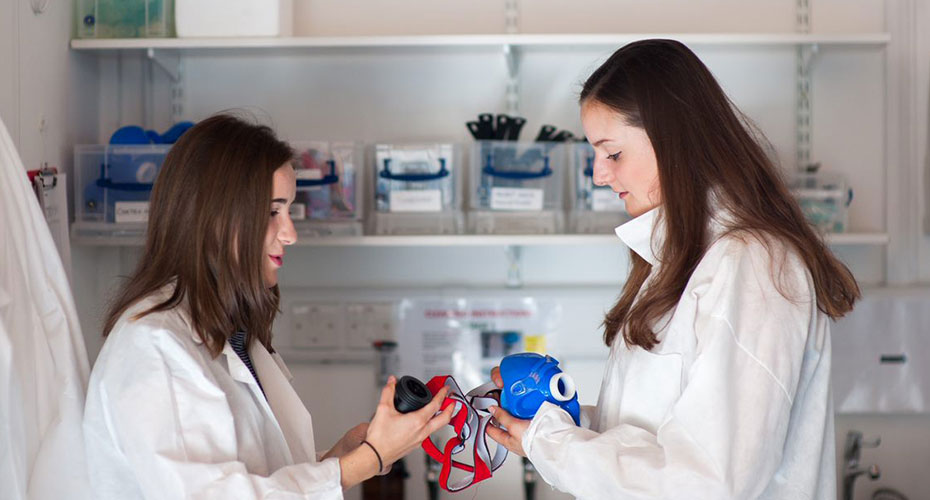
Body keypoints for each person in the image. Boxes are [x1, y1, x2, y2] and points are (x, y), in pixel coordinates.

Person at [486, 39, 860, 499]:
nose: (600, 175)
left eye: (613, 153)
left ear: (673, 141)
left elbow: (710, 480)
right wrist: (553, 423)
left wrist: (551, 442)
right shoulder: (680, 258)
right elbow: (655, 432)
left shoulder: (753, 266)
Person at [83, 113, 454, 499]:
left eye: (289, 211)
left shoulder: (228, 330)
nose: (290, 233)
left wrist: (341, 457)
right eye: (272, 212)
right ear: (213, 218)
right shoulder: (153, 346)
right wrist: (368, 461)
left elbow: (256, 471)